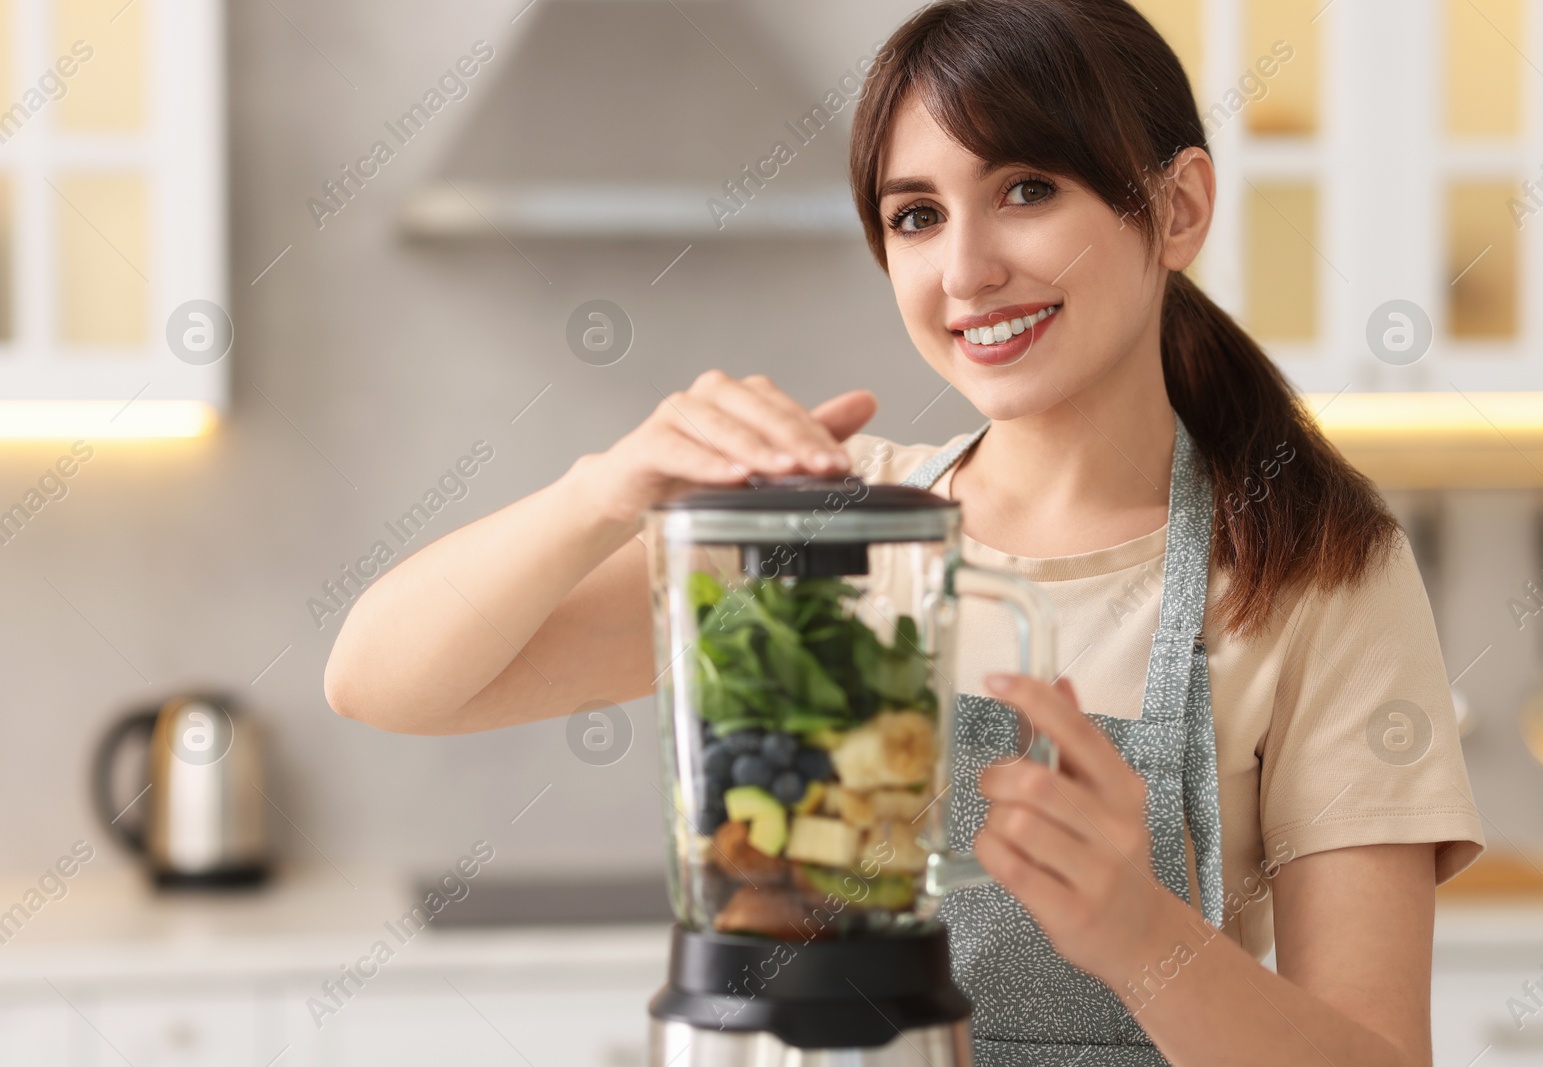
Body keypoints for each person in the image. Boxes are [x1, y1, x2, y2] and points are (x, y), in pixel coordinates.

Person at [325, 1, 1483, 1063]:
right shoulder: (830, 536)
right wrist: (601, 490)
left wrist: (1144, 936)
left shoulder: (1310, 567)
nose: (967, 271)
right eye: (916, 215)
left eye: (1028, 188)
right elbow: (382, 680)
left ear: (1175, 207)